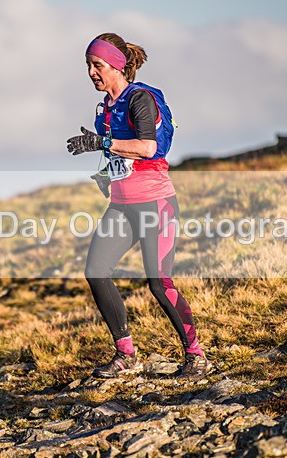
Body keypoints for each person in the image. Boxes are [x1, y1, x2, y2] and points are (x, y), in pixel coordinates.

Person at [67, 33, 210, 379]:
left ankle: (196, 357)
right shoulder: (106, 108)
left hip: (155, 204)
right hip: (122, 206)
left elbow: (148, 149)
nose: (90, 72)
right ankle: (126, 354)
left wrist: (101, 142)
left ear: (117, 65)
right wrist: (104, 168)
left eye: (97, 65)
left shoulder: (139, 99)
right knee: (96, 272)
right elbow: (121, 155)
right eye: (88, 65)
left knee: (159, 283)